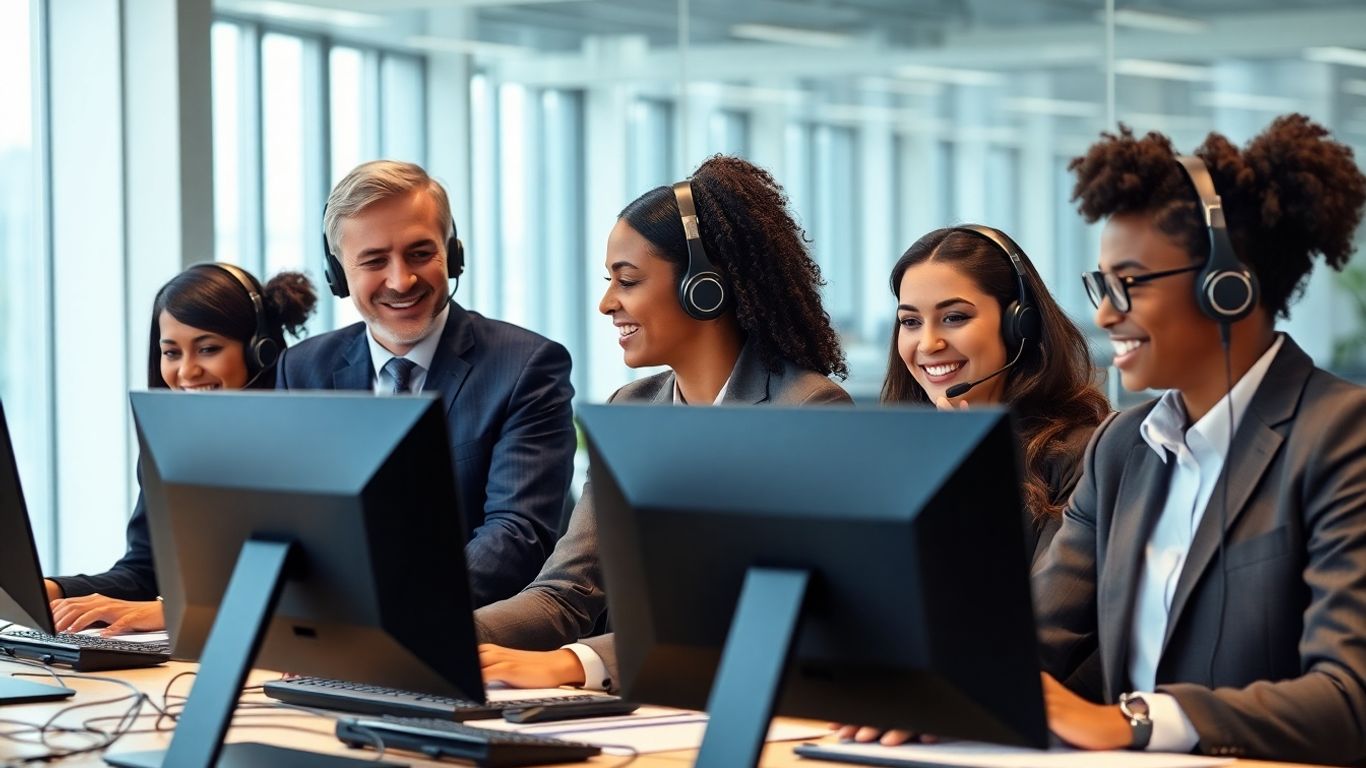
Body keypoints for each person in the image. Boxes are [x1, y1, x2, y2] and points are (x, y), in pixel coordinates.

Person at [1032, 114, 1366, 763]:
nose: (1104, 313)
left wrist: (1136, 722)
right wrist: (924, 696)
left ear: (1228, 286)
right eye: (1102, 284)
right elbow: (1032, 640)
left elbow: (1348, 698)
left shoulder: (1341, 436)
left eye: (1129, 283)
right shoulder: (1122, 449)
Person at [476, 155, 852, 692]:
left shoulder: (808, 410)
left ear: (705, 286)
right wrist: (436, 632)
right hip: (648, 706)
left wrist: (578, 662)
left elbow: (757, 614)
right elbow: (564, 593)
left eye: (627, 281)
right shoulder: (632, 409)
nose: (607, 303)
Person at [275, 160, 576, 607]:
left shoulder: (526, 367)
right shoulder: (302, 371)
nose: (401, 281)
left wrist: (394, 612)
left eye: (420, 253)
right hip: (340, 638)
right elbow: (290, 523)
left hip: (477, 636)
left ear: (452, 254)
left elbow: (517, 533)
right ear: (338, 275)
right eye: (375, 261)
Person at [44, 263, 317, 635]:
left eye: (207, 349)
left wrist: (172, 612)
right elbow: (144, 570)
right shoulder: (170, 448)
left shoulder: (303, 446)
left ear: (260, 350)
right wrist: (56, 591)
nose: (187, 372)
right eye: (171, 353)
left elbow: (311, 588)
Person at [881, 225, 1110, 565]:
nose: (928, 344)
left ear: (1020, 325)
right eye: (911, 322)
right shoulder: (895, 452)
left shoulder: (1082, 455)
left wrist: (973, 483)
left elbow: (1045, 606)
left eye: (954, 317)